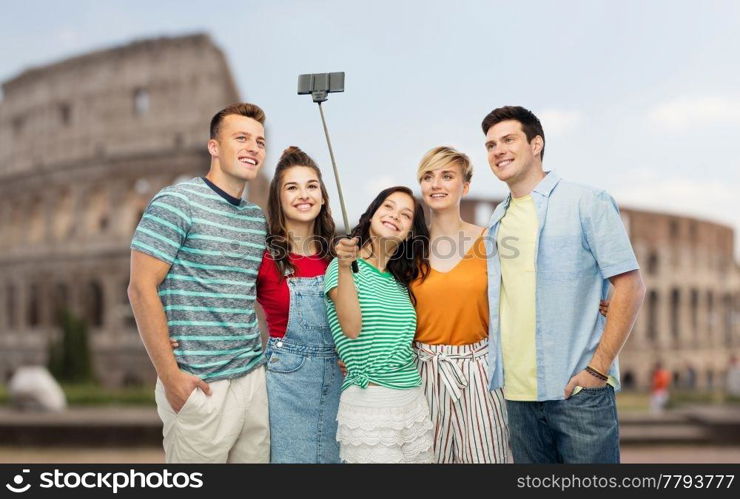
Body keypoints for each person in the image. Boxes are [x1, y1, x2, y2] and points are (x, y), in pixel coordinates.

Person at [481, 105, 646, 463]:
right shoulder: (497, 219)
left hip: (578, 393)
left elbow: (631, 286)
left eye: (508, 140)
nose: (498, 151)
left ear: (536, 144)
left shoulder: (586, 201)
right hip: (518, 397)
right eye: (491, 145)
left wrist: (597, 369)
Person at [128, 103, 270, 463]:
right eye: (241, 138)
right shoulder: (176, 202)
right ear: (214, 147)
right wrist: (170, 376)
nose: (253, 147)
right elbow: (141, 288)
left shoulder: (256, 219)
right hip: (200, 383)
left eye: (259, 141)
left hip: (252, 380)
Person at [410, 146, 511, 463]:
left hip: (479, 371)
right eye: (428, 177)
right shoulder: (407, 249)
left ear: (464, 187)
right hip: (423, 371)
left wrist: (597, 302)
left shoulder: (490, 241)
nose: (436, 184)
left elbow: (523, 295)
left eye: (447, 176)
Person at [325, 186, 434, 463]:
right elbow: (350, 329)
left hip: (412, 402)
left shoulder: (399, 282)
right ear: (372, 214)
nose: (395, 215)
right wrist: (344, 267)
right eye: (388, 206)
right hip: (369, 403)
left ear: (409, 232)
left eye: (405, 214)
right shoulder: (342, 267)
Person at [257, 146, 342, 463]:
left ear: (322, 197)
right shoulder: (264, 258)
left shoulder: (339, 259)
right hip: (285, 387)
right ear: (278, 198)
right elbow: (224, 304)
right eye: (291, 187)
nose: (303, 195)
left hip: (341, 384)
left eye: (311, 186)